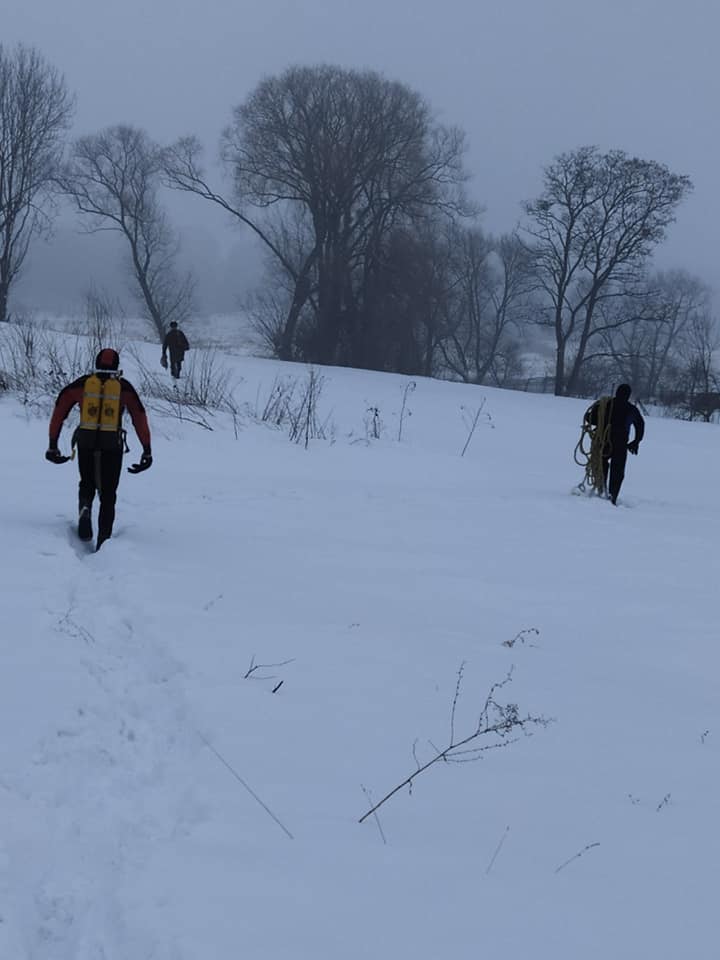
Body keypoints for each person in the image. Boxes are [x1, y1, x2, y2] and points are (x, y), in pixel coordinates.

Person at [45, 348, 152, 550]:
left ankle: (85, 507)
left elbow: (60, 409)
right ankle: (104, 540)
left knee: (87, 482)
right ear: (117, 366)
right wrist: (147, 450)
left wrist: (53, 445)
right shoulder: (123, 387)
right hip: (112, 444)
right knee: (109, 493)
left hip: (85, 441)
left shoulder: (82, 384)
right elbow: (139, 416)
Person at [584, 383, 645, 504]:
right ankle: (612, 496)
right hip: (620, 443)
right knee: (618, 470)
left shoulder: (604, 404)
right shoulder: (631, 409)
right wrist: (636, 442)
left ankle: (601, 490)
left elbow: (590, 419)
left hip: (603, 441)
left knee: (601, 465)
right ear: (628, 396)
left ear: (616, 392)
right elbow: (640, 425)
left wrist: (595, 414)